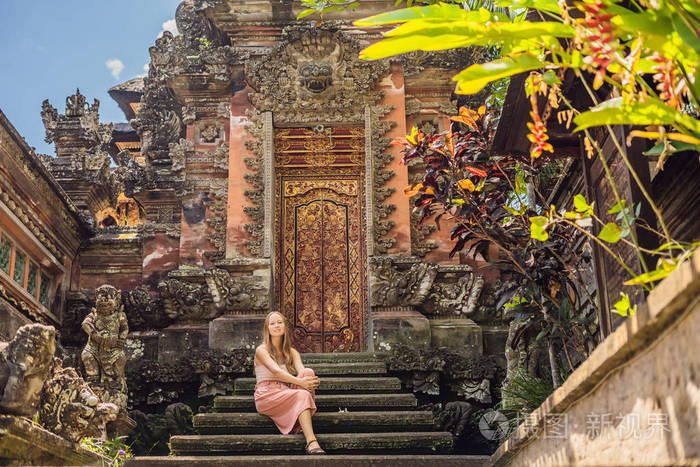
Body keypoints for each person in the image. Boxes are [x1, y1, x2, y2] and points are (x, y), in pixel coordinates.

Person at [254, 311, 325, 455]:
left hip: (283, 391)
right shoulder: (261, 350)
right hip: (266, 395)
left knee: (308, 372)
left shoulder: (291, 352)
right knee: (302, 395)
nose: (276, 326)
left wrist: (311, 381)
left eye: (279, 322)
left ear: (285, 326)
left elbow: (302, 372)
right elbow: (277, 372)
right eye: (272, 323)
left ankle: (299, 421)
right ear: (267, 328)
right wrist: (301, 383)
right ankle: (311, 441)